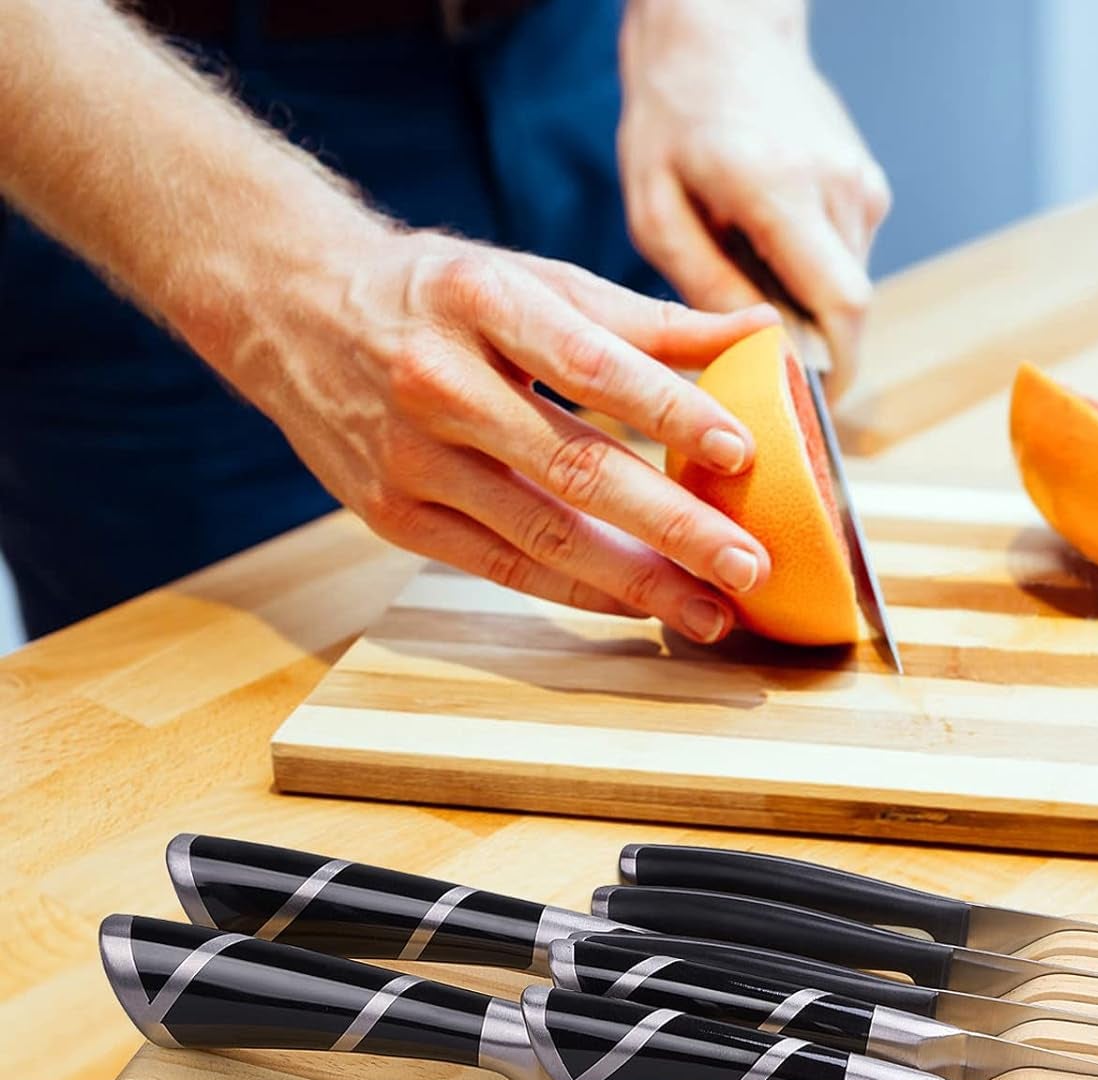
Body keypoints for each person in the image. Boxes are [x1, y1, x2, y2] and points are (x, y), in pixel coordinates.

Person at [0, 0, 889, 641]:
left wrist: (728, 25)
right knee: (217, 747)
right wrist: (279, 278)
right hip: (145, 115)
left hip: (579, 54)